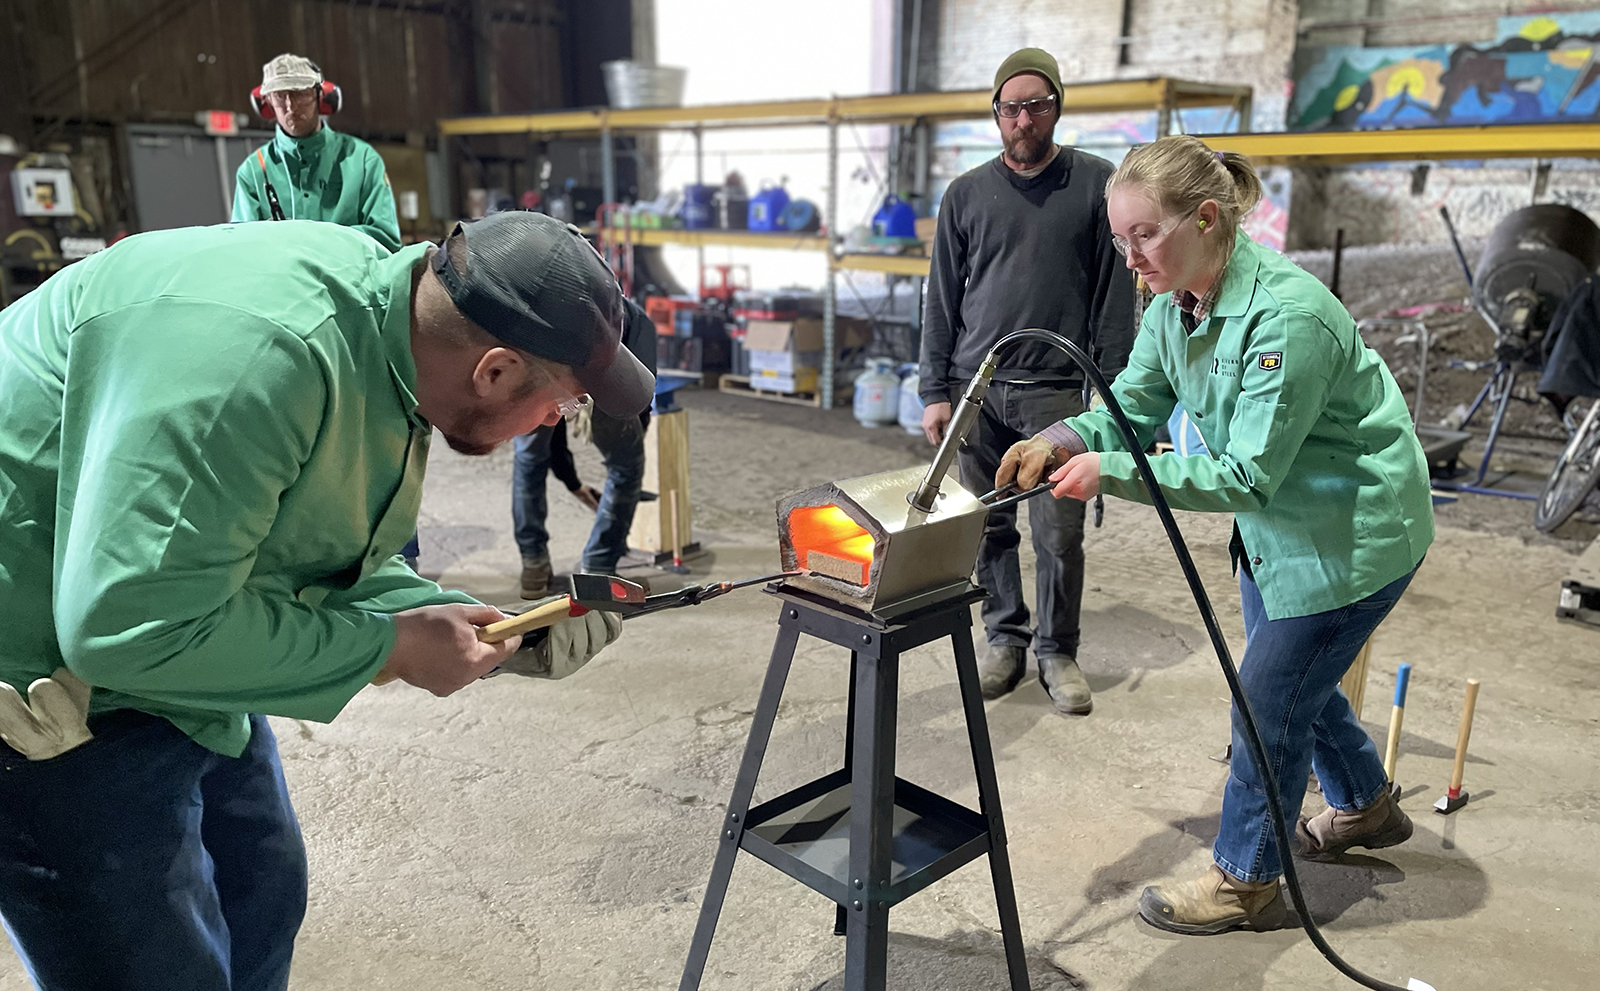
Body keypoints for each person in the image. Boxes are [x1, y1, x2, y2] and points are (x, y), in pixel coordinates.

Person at [0, 211, 653, 989]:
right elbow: (130, 626)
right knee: (152, 963)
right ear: (497, 371)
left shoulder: (393, 329)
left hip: (172, 625)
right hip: (53, 687)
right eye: (565, 404)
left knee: (262, 891)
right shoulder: (259, 361)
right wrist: (394, 646)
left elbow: (309, 542)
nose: (557, 422)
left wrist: (467, 622)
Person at [996, 135, 1434, 935]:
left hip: (1353, 534)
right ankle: (1367, 806)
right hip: (1281, 533)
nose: (1131, 260)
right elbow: (1131, 404)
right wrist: (1062, 438)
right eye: (1120, 240)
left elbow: (1245, 476)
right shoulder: (1173, 308)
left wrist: (1111, 472)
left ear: (1205, 218)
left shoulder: (1286, 318)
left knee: (1266, 700)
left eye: (1145, 237)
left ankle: (1246, 879)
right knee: (1296, 681)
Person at [919, 47, 1136, 715]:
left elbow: (1113, 296)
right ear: (996, 115)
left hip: (1054, 393)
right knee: (986, 525)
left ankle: (1057, 649)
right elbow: (941, 296)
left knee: (1059, 530)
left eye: (1036, 105)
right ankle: (1005, 638)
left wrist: (1115, 393)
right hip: (976, 389)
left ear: (1057, 108)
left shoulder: (1095, 187)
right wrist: (934, 389)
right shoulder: (965, 195)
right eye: (1011, 107)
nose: (1023, 118)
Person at [515, 299, 657, 597]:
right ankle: (599, 570)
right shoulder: (637, 321)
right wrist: (633, 438)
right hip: (602, 372)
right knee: (626, 468)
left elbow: (551, 431)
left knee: (529, 461)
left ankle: (534, 566)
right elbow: (638, 400)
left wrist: (571, 480)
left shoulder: (543, 302)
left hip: (537, 363)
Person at [232, 53, 401, 252]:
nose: (290, 106)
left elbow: (385, 239)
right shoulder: (253, 171)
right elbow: (242, 248)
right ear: (266, 102)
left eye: (299, 93)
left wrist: (310, 243)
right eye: (279, 95)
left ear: (321, 96)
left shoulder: (363, 160)